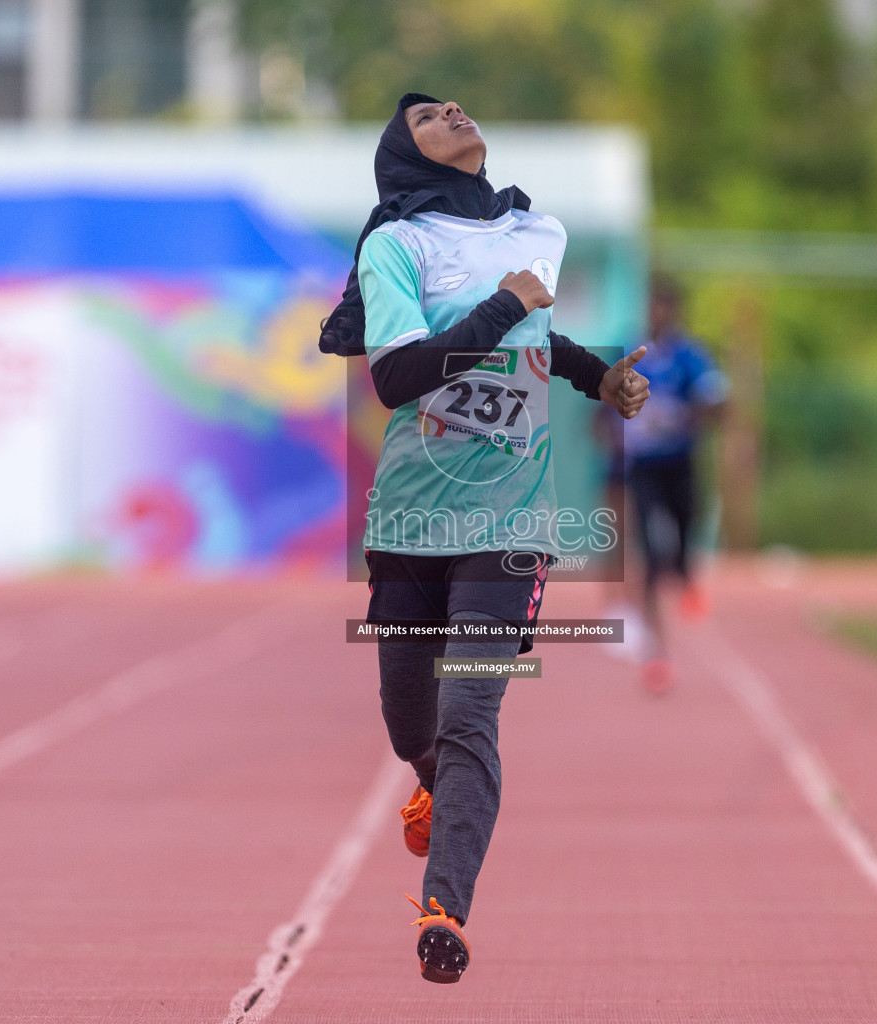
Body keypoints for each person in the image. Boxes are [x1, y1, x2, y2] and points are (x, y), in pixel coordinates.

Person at [318, 93, 649, 984]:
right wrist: (501, 308)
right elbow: (397, 376)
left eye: (455, 106)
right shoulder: (398, 246)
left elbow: (539, 333)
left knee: (472, 713)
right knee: (409, 722)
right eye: (428, 117)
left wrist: (597, 378)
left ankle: (445, 907)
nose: (452, 113)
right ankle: (433, 778)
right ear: (408, 156)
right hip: (413, 518)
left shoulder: (537, 230)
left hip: (514, 522)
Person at [623, 276, 728, 694]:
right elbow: (603, 396)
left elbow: (716, 398)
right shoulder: (631, 351)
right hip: (644, 466)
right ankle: (656, 652)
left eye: (665, 307)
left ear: (675, 312)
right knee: (649, 551)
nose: (658, 315)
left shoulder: (691, 355)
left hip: (681, 463)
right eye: (653, 307)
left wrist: (692, 413)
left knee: (683, 547)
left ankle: (686, 576)